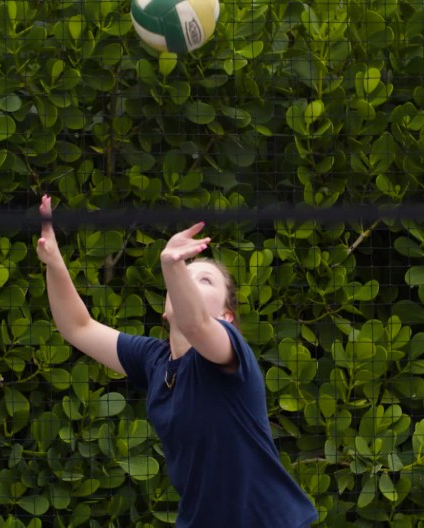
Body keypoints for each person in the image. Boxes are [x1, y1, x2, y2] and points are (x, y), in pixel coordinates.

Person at [35, 195, 318, 527]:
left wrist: (172, 263)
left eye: (205, 280)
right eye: (185, 272)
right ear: (165, 305)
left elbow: (196, 324)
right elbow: (77, 327)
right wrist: (53, 262)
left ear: (227, 316)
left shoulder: (229, 353)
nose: (188, 280)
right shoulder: (154, 360)